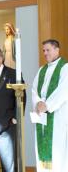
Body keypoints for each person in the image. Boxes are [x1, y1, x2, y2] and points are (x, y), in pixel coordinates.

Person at [32, 39, 68, 171]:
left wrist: (47, 105)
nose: (45, 53)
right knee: (42, 152)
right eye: (43, 51)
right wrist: (37, 102)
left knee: (58, 153)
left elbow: (64, 90)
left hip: (57, 119)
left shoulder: (65, 67)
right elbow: (34, 90)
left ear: (57, 50)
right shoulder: (41, 70)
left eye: (48, 50)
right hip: (42, 118)